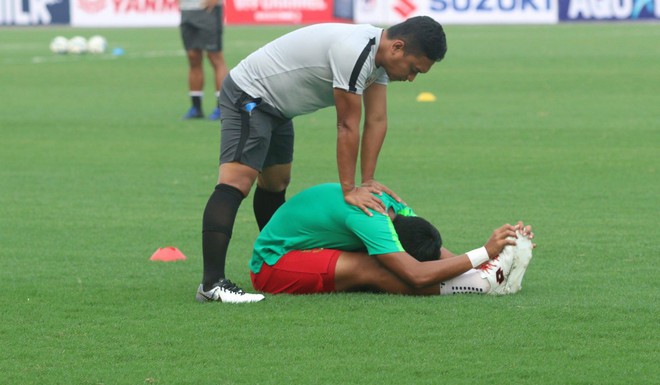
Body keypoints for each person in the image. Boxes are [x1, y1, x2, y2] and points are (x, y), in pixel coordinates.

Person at [196, 16, 448, 303]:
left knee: (276, 182)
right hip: (250, 95)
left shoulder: (378, 59)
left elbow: (376, 120)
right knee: (236, 181)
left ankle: (276, 259)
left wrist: (367, 181)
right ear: (398, 48)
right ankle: (212, 283)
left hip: (278, 108)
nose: (412, 78)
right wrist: (349, 188)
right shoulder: (355, 52)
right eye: (414, 69)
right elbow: (347, 124)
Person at [249, 183, 536, 296]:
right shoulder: (373, 221)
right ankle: (483, 287)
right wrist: (485, 252)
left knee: (384, 263)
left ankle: (484, 277)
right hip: (272, 265)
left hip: (307, 247)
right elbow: (415, 274)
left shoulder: (398, 209)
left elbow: (430, 251)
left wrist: (491, 258)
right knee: (374, 268)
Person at [179, 0, 228, 120]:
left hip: (208, 10)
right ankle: (196, 108)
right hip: (187, 10)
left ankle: (222, 108)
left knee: (214, 57)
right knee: (193, 57)